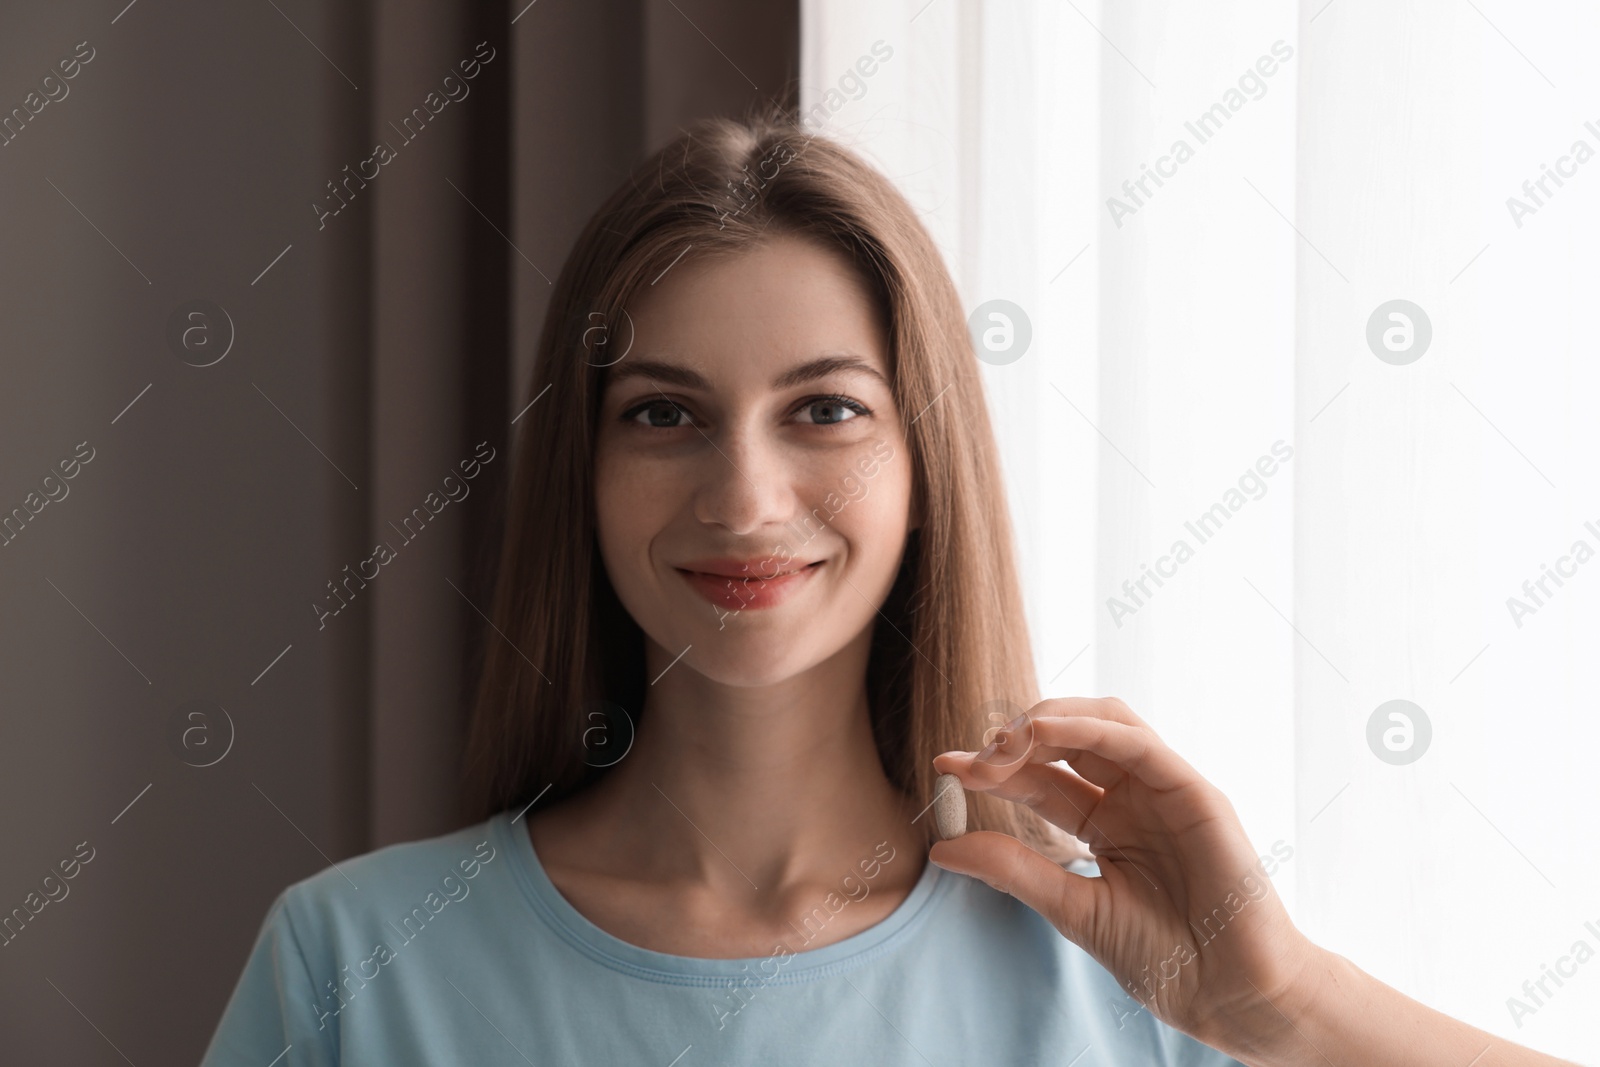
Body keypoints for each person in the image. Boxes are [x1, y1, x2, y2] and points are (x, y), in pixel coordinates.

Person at [199, 107, 1579, 1066]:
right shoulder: (354, 966)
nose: (742, 499)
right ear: (582, 466)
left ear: (930, 463)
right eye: (665, 415)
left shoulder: (1132, 982)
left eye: (826, 413)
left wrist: (1284, 1000)